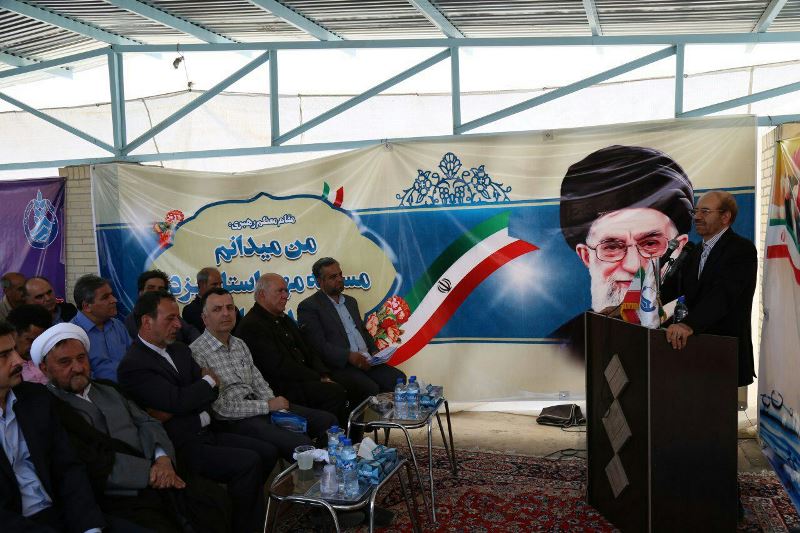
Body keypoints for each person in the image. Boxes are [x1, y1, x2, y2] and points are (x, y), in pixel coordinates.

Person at [32, 322, 230, 533]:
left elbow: (147, 422)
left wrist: (162, 459)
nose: (78, 368)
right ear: (44, 369)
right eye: (65, 362)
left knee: (214, 502)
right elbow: (87, 462)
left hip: (161, 471)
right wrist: (150, 474)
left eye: (81, 358)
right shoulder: (49, 409)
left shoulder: (108, 389)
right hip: (117, 495)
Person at [117, 291, 274, 533]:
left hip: (207, 431)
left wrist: (192, 394)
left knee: (267, 451)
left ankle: (240, 511)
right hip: (181, 445)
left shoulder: (179, 350)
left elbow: (199, 396)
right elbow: (181, 399)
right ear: (147, 321)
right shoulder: (134, 364)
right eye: (170, 319)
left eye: (178, 318)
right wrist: (203, 385)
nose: (178, 325)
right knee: (248, 462)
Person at [554, 145, 695, 358]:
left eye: (650, 244)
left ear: (678, 248)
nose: (633, 265)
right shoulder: (564, 348)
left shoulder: (696, 324)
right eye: (612, 247)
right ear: (586, 256)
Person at [191, 287, 337, 456]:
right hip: (234, 420)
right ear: (205, 318)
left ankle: (330, 466)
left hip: (262, 409)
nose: (226, 313)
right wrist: (267, 406)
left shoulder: (239, 344)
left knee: (328, 422)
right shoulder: (197, 353)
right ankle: (315, 468)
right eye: (217, 309)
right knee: (301, 444)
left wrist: (277, 409)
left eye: (230, 308)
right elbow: (219, 408)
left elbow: (258, 382)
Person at [0, 319, 107, 532]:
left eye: (14, 351)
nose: (18, 361)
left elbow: (68, 468)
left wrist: (90, 527)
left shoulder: (34, 398)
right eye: (4, 355)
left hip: (64, 514)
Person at [662, 191, 757, 387]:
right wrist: (629, 308)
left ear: (725, 217)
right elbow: (672, 290)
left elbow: (723, 296)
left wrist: (688, 325)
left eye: (705, 211)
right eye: (696, 211)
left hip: (723, 353)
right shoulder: (694, 251)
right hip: (694, 352)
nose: (697, 217)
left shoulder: (741, 249)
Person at [236, 274, 348, 425]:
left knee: (345, 381)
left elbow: (308, 349)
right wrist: (317, 378)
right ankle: (329, 436)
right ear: (262, 295)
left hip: (302, 378)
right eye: (280, 291)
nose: (285, 296)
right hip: (281, 387)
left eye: (286, 291)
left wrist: (323, 374)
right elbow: (279, 366)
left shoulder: (283, 318)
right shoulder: (252, 325)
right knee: (335, 392)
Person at [298, 257, 406, 407]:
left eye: (340, 274)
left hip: (367, 360)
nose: (339, 279)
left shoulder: (350, 301)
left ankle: (388, 418)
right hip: (341, 365)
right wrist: (349, 356)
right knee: (370, 388)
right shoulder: (309, 306)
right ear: (319, 282)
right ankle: (362, 421)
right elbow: (318, 345)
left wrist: (374, 351)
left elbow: (362, 330)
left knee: (398, 378)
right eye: (333, 277)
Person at [71, 274, 132, 381]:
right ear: (87, 306)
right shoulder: (71, 334)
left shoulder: (118, 325)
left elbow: (132, 356)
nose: (114, 300)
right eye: (105, 297)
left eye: (112, 295)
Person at [124, 269, 200, 344]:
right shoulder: (132, 320)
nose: (156, 292)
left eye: (160, 289)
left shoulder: (171, 314)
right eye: (151, 288)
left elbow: (190, 331)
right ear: (141, 293)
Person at [182, 267, 241, 334]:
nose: (219, 288)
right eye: (214, 285)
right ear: (201, 285)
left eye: (220, 284)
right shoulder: (190, 310)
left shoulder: (231, 308)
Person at [6, 304, 51, 385]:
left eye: (41, 341)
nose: (36, 347)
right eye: (31, 340)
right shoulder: (6, 370)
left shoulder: (51, 359)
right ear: (13, 335)